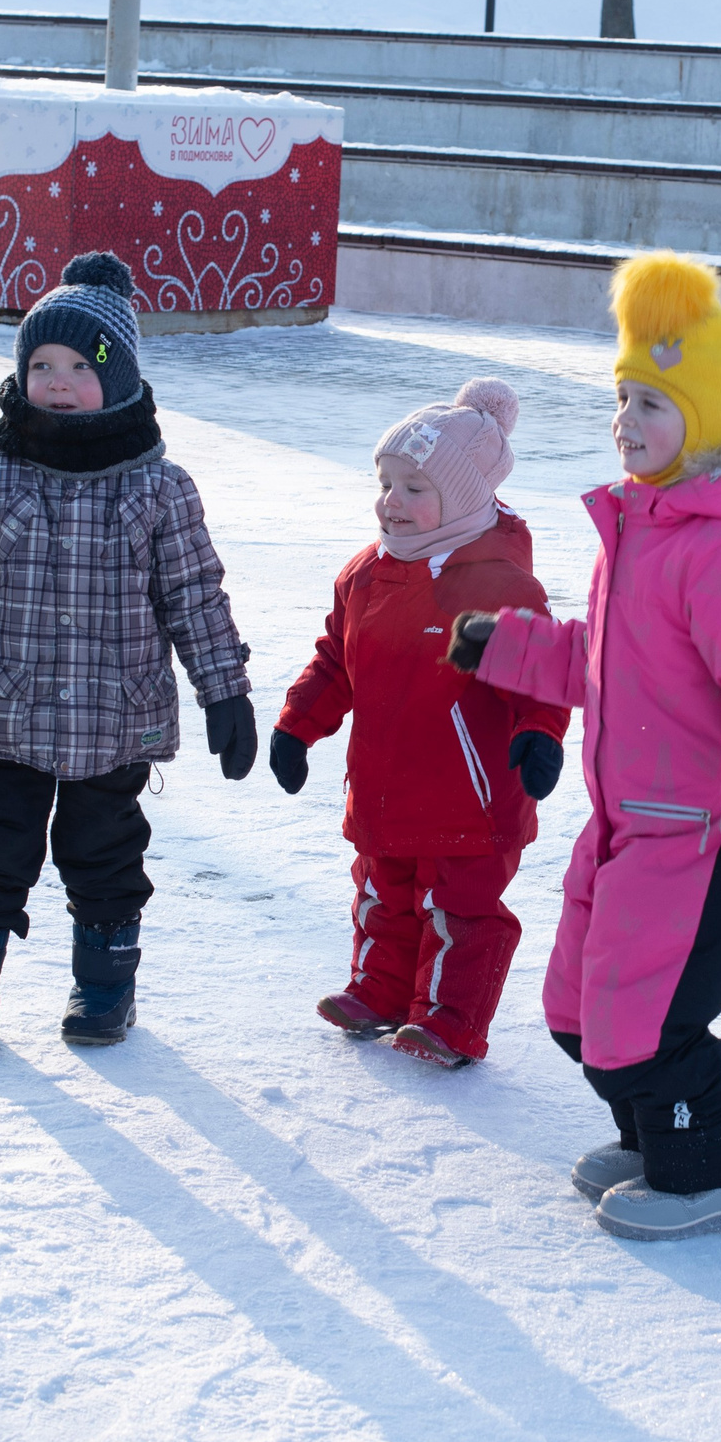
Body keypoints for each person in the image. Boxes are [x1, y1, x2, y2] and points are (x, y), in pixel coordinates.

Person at [451, 252, 721, 1241]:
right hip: (626, 826)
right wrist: (507, 646)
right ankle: (656, 1134)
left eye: (651, 401)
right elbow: (607, 665)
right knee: (579, 1013)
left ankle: (712, 1162)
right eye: (622, 397)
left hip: (710, 837)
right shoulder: (646, 527)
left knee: (645, 1028)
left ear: (711, 420)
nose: (625, 419)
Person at [0, 251, 255, 1057]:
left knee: (106, 858)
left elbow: (195, 598)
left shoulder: (161, 489)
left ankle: (103, 988)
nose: (58, 380)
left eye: (80, 364)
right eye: (41, 363)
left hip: (115, 719)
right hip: (5, 711)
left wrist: (224, 692)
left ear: (123, 377)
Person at [269, 379, 570, 1070]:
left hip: (472, 795)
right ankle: (380, 991)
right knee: (383, 892)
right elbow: (334, 662)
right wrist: (297, 727)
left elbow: (539, 675)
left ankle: (451, 1017)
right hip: (384, 785)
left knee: (457, 909)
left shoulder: (497, 588)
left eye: (413, 488)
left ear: (462, 499)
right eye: (386, 483)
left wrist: (539, 736)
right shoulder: (365, 577)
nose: (390, 503)